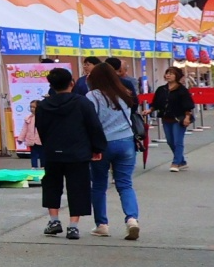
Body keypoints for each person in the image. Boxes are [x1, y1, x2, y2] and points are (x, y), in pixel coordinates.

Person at [31, 68, 99, 238]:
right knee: (78, 187)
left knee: (52, 185)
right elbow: (93, 126)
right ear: (72, 83)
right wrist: (97, 148)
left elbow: (41, 128)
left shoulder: (43, 106)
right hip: (78, 152)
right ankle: (73, 226)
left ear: (51, 85)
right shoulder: (83, 103)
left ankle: (54, 220)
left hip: (52, 151)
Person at [80, 63, 141, 239]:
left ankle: (102, 224)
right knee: (125, 184)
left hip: (103, 144)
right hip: (126, 142)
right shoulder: (124, 93)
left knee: (99, 185)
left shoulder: (93, 96)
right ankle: (132, 219)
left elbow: (91, 122)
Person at [152, 66, 195, 171]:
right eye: (167, 73)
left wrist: (187, 117)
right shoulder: (161, 89)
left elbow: (188, 105)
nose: (168, 75)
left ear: (177, 76)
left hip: (179, 118)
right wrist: (150, 110)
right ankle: (182, 161)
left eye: (171, 73)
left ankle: (175, 163)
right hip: (166, 118)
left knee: (177, 141)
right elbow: (156, 103)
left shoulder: (182, 90)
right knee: (170, 141)